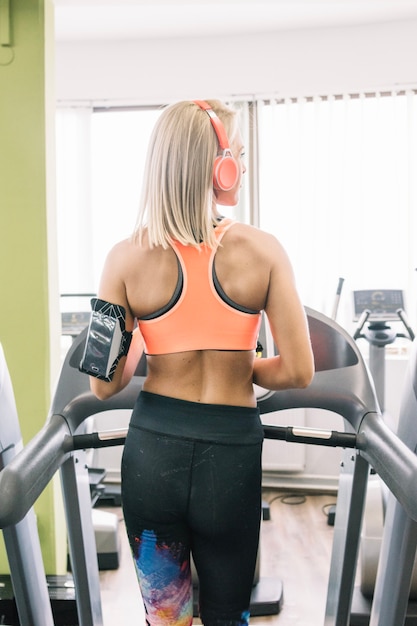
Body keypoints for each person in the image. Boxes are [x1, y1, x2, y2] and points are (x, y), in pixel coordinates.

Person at [88, 99, 314, 626]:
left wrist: (151, 339)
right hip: (230, 461)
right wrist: (242, 368)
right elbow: (298, 371)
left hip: (151, 456)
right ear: (221, 168)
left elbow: (102, 386)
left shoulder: (124, 257)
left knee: (167, 618)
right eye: (234, 150)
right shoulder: (265, 251)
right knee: (226, 615)